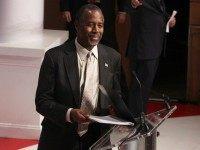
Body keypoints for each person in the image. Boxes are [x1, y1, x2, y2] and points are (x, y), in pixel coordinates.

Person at [35, 4, 132, 150]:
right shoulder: (55, 57)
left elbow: (116, 96)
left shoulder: (113, 57)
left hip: (97, 139)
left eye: (100, 25)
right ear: (77, 25)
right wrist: (69, 113)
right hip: (60, 138)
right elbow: (42, 101)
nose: (96, 30)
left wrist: (119, 112)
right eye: (90, 25)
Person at [119, 0, 176, 116]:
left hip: (153, 46)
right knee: (139, 87)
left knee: (144, 87)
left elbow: (157, 11)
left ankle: (140, 120)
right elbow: (129, 5)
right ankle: (136, 121)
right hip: (143, 46)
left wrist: (168, 19)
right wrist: (131, 4)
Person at [60, 0, 126, 50]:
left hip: (105, 7)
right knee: (75, 40)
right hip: (78, 6)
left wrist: (122, 10)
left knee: (108, 42)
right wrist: (65, 7)